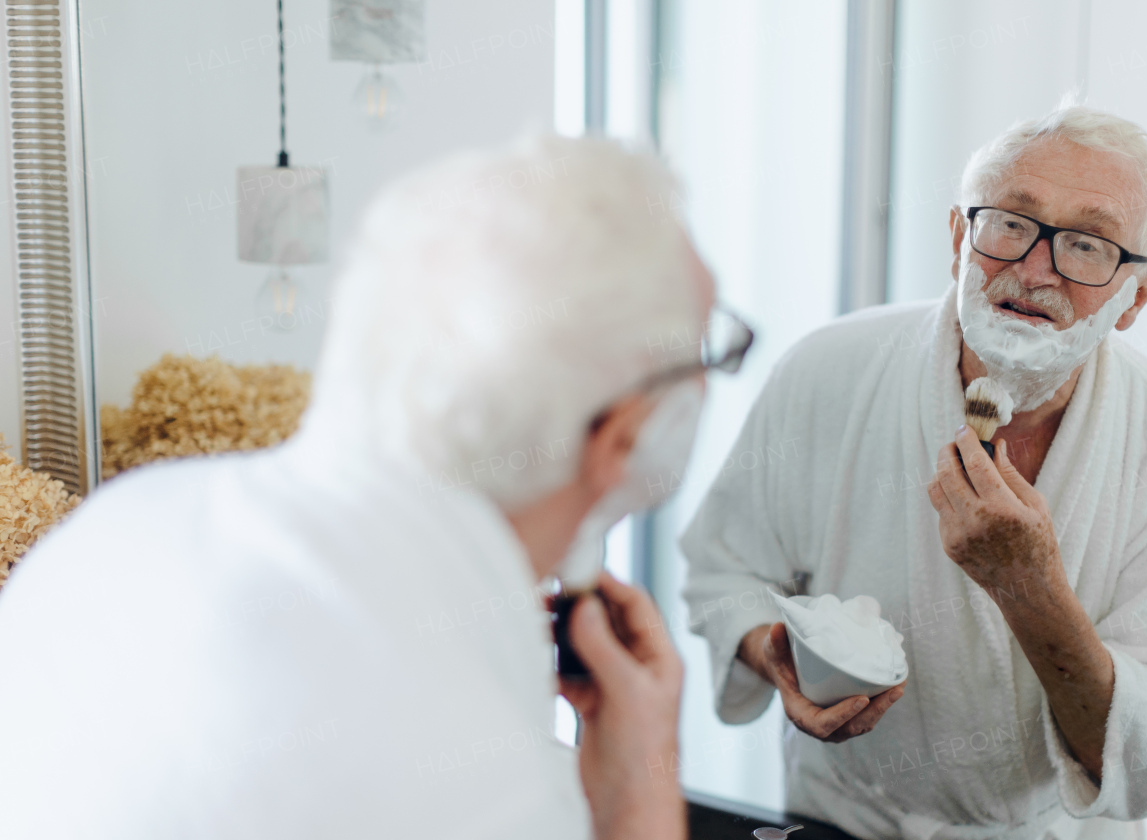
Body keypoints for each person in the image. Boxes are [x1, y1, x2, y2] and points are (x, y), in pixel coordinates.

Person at [0, 136, 734, 840]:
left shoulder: (112, 530)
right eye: (710, 351)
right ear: (624, 434)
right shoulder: (465, 770)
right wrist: (640, 788)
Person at [681, 104, 1147, 840]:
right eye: (1009, 223)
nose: (1035, 269)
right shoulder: (827, 370)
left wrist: (1027, 586)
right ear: (958, 238)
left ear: (1138, 295)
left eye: (1088, 245)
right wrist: (779, 662)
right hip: (843, 815)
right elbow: (723, 575)